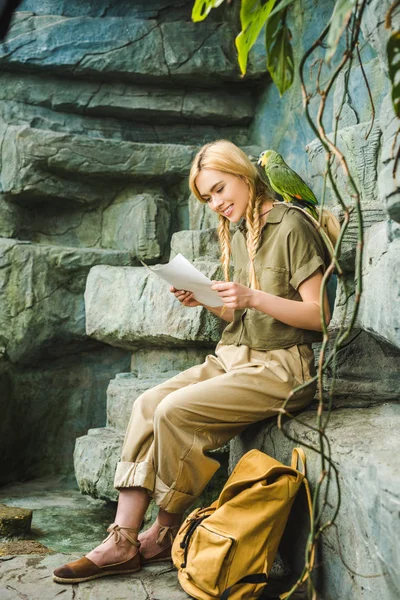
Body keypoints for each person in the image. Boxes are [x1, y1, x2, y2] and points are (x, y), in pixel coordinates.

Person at [53, 140, 331, 584]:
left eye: (221, 190)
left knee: (174, 411)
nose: (218, 204)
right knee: (147, 403)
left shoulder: (291, 225)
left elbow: (320, 315)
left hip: (282, 366)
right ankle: (123, 539)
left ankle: (162, 532)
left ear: (244, 174)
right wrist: (203, 299)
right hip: (232, 356)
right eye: (209, 198)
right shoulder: (241, 231)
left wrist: (253, 295)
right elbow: (239, 313)